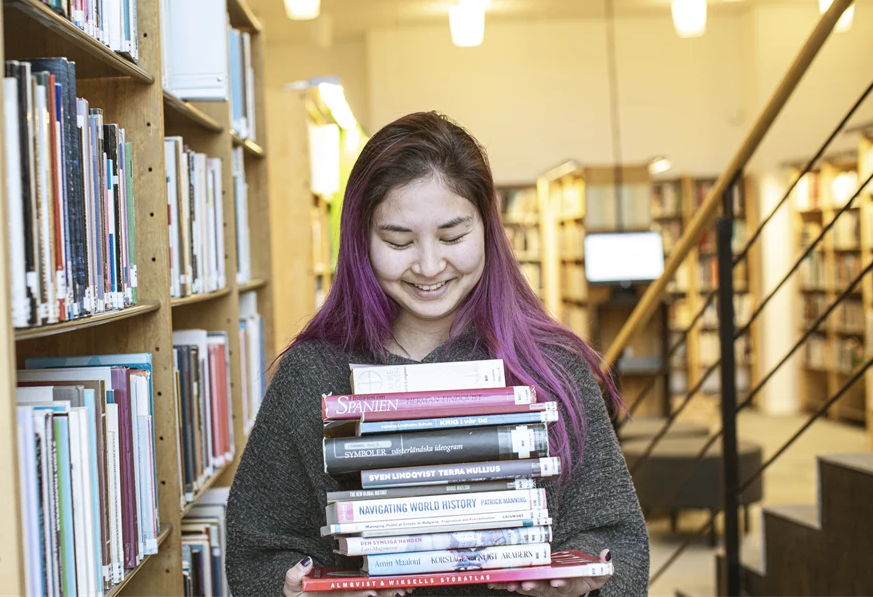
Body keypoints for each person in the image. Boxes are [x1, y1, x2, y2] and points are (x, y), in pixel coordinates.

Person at [226, 111, 649, 597]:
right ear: (361, 240)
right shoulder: (313, 373)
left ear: (488, 229)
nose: (429, 266)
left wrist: (583, 582)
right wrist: (291, 587)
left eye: (453, 237)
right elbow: (256, 549)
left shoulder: (552, 367)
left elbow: (620, 542)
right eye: (398, 241)